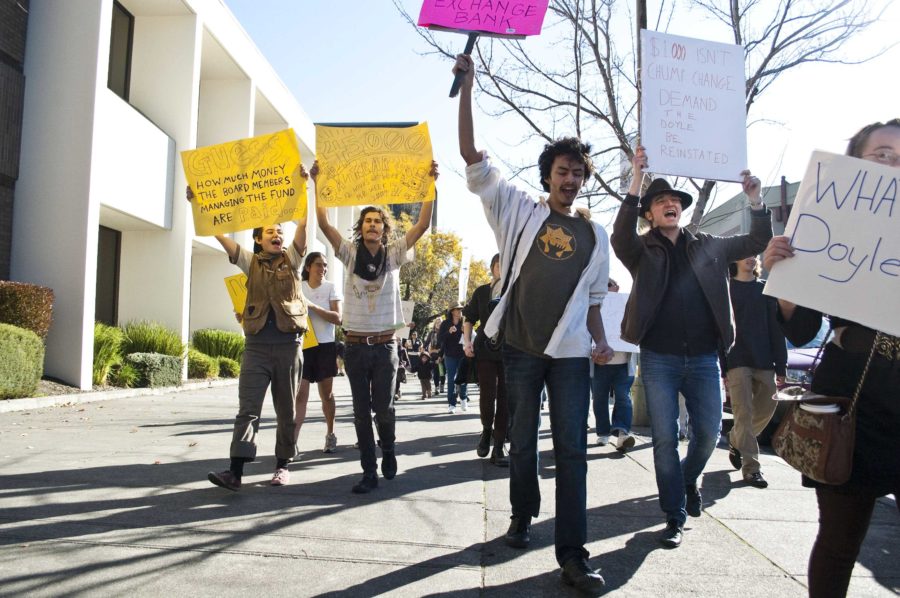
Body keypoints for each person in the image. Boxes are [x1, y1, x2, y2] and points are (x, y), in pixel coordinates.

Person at [455, 53, 613, 595]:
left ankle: (573, 553)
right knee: (522, 442)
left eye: (578, 174)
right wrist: (469, 88)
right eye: (563, 171)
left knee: (571, 449)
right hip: (519, 349)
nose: (570, 179)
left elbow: (595, 299)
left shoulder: (597, 237)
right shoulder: (517, 208)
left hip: (570, 356)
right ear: (548, 175)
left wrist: (599, 340)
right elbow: (472, 156)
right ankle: (522, 515)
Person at [763, 118, 900, 598]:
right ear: (854, 166)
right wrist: (784, 282)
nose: (892, 165)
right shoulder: (828, 231)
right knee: (840, 541)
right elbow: (802, 329)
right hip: (852, 400)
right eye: (881, 155)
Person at [612, 145, 772, 548]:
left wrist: (754, 198)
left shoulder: (709, 244)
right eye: (661, 201)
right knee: (665, 438)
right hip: (659, 358)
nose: (670, 205)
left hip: (703, 358)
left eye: (674, 201)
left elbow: (757, 237)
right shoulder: (641, 250)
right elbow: (619, 232)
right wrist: (636, 178)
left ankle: (687, 480)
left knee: (708, 432)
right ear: (649, 213)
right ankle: (674, 514)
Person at [312, 160, 437, 494]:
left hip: (385, 347)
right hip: (354, 347)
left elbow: (423, 225)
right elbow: (324, 223)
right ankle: (369, 471)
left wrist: (429, 184)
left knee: (384, 407)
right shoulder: (350, 255)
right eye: (367, 221)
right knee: (360, 411)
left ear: (384, 229)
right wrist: (318, 182)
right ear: (361, 227)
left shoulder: (394, 255)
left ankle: (390, 450)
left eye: (377, 222)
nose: (371, 226)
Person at [189, 167, 310, 491]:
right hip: (256, 348)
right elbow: (221, 237)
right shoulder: (249, 261)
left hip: (287, 347)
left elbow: (302, 228)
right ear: (258, 239)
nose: (277, 235)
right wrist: (198, 206)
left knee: (286, 411)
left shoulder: (293, 260)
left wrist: (303, 188)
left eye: (279, 232)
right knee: (248, 411)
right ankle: (236, 472)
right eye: (270, 231)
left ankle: (283, 465)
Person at [724, 255, 787, 488]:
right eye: (745, 256)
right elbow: (720, 328)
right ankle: (751, 469)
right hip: (737, 359)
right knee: (744, 413)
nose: (751, 259)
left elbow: (776, 328)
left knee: (768, 405)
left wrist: (781, 364)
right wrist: (722, 365)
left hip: (764, 360)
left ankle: (736, 439)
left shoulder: (766, 290)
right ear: (736, 261)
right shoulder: (727, 288)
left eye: (754, 256)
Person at [293, 251, 342, 454]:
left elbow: (338, 318)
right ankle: (292, 442)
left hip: (325, 345)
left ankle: (330, 433)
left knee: (326, 395)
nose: (322, 269)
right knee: (300, 395)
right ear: (308, 267)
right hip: (302, 346)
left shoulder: (330, 287)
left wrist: (313, 306)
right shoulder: (298, 287)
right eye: (318, 265)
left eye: (324, 265)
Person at [463, 252, 509, 466]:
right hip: (484, 348)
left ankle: (499, 446)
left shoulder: (514, 289)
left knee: (506, 398)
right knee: (487, 393)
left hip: (510, 349)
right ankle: (485, 430)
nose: (502, 268)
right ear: (493, 268)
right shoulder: (482, 291)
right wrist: (467, 342)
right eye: (499, 265)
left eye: (506, 264)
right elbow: (469, 318)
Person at [591, 278, 637, 452]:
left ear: (617, 287)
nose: (607, 288)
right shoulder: (595, 308)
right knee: (600, 399)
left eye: (609, 285)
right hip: (599, 364)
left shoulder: (628, 305)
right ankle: (603, 432)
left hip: (623, 364)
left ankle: (622, 432)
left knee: (623, 397)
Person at [438, 304, 468, 413]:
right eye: (458, 309)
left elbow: (471, 337)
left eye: (461, 309)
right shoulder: (445, 324)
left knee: (463, 378)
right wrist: (449, 332)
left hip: (463, 354)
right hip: (450, 355)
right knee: (451, 379)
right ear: (452, 311)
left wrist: (466, 331)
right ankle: (451, 404)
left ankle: (464, 398)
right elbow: (440, 339)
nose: (460, 311)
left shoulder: (465, 322)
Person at [425, 319, 446, 394]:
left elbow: (445, 343)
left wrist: (440, 353)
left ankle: (442, 385)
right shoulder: (432, 333)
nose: (438, 324)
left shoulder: (444, 332)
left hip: (442, 354)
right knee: (436, 372)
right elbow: (427, 342)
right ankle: (436, 387)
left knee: (442, 372)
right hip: (433, 355)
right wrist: (422, 348)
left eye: (440, 322)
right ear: (435, 324)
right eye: (437, 322)